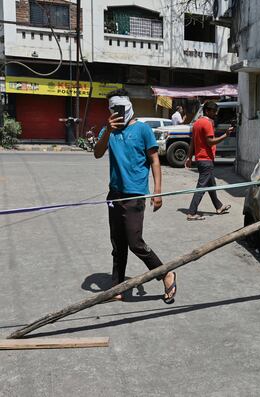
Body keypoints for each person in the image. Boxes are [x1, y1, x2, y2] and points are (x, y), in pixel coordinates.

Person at [94, 89, 177, 304]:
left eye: (119, 108)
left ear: (128, 106)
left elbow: (154, 160)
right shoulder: (109, 130)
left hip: (135, 194)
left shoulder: (142, 130)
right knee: (118, 243)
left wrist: (158, 192)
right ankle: (118, 286)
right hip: (115, 194)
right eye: (113, 109)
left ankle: (166, 273)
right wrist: (107, 132)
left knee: (135, 242)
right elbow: (97, 153)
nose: (117, 112)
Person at [185, 100, 232, 220]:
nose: (215, 114)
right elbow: (210, 142)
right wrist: (225, 136)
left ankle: (219, 207)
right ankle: (191, 212)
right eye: (213, 111)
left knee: (211, 185)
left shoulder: (196, 123)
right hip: (206, 160)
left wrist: (190, 157)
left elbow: (192, 143)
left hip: (201, 159)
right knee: (201, 188)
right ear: (207, 111)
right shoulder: (207, 123)